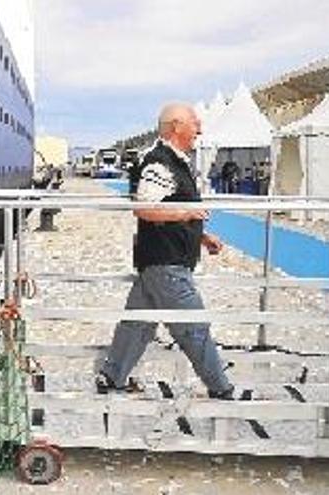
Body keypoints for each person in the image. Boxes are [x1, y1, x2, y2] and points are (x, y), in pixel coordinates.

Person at [97, 102, 235, 400]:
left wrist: (201, 236)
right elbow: (145, 209)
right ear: (176, 126)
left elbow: (170, 210)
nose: (200, 128)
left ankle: (111, 377)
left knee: (137, 326)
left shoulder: (175, 160)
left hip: (158, 263)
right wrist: (186, 215)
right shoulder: (159, 162)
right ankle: (222, 389)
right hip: (167, 266)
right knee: (194, 328)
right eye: (195, 122)